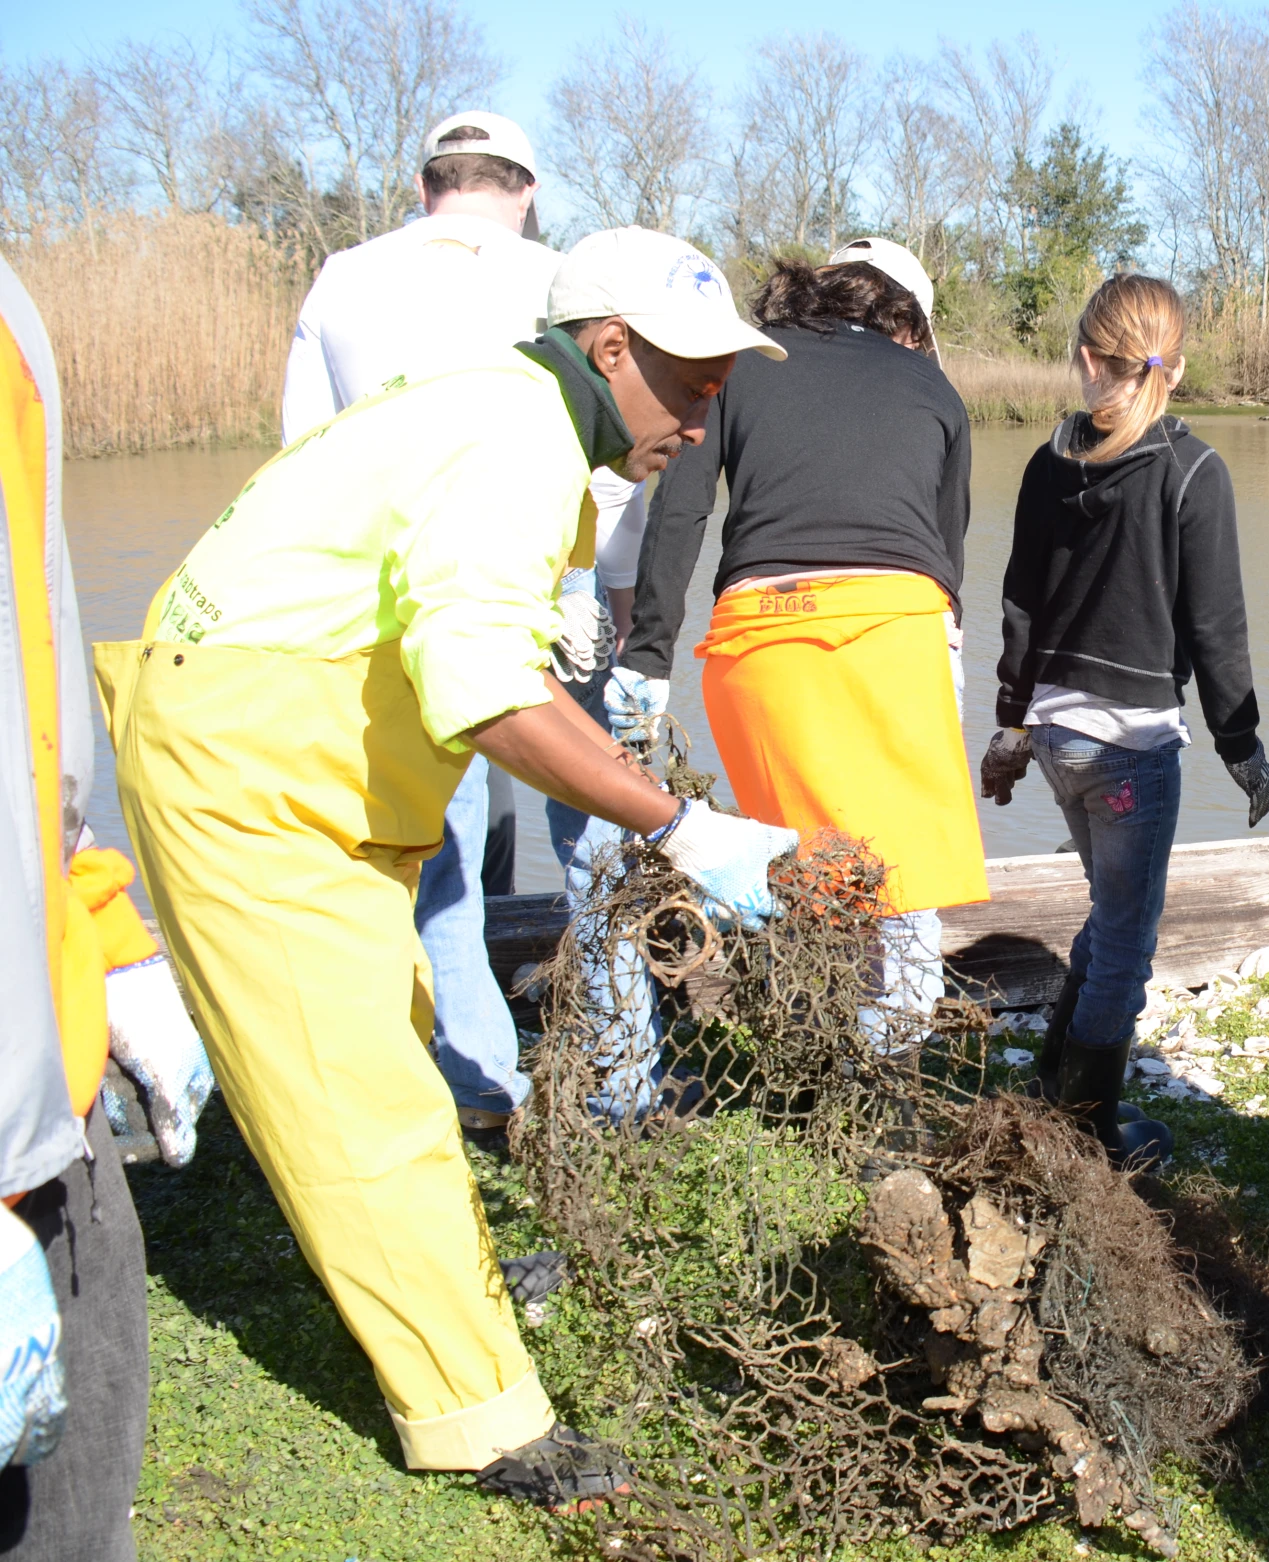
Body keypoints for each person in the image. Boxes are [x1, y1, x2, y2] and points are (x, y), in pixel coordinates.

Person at [94, 227, 798, 1510]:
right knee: (361, 1102)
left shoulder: (509, 411)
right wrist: (680, 827)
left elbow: (499, 656)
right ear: (609, 349)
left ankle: (444, 1265)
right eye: (694, 385)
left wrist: (609, 722)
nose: (704, 422)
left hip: (286, 749)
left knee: (392, 1037)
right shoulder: (518, 442)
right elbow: (483, 697)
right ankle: (480, 1417)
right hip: (247, 765)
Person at [279, 109, 582, 1142]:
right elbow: (612, 456)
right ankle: (618, 1060)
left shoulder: (344, 278)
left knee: (433, 847)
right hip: (542, 581)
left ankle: (480, 1074)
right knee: (591, 824)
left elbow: (300, 457)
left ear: (425, 186)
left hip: (387, 599)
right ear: (525, 188)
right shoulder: (557, 279)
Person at [620, 237, 984, 1036]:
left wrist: (647, 657)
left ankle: (809, 1037)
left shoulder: (742, 367)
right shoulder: (934, 385)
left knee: (794, 860)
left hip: (762, 639)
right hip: (899, 630)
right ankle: (892, 1055)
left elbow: (679, 511)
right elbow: (948, 554)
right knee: (902, 870)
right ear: (906, 319)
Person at [0, 255, 213, 1560]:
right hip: (19, 1131)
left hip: (48, 1046)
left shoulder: (12, 309)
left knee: (83, 1466)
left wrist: (105, 919)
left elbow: (32, 660)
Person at [982, 273, 1269, 1168]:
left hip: (1062, 744)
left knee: (1108, 916)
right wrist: (1243, 744)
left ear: (1085, 359)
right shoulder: (1194, 472)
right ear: (1174, 370)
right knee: (1127, 943)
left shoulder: (1046, 465)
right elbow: (1216, 628)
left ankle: (1047, 1088)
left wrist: (1012, 730)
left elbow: (1020, 608)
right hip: (1131, 751)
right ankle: (1088, 1133)